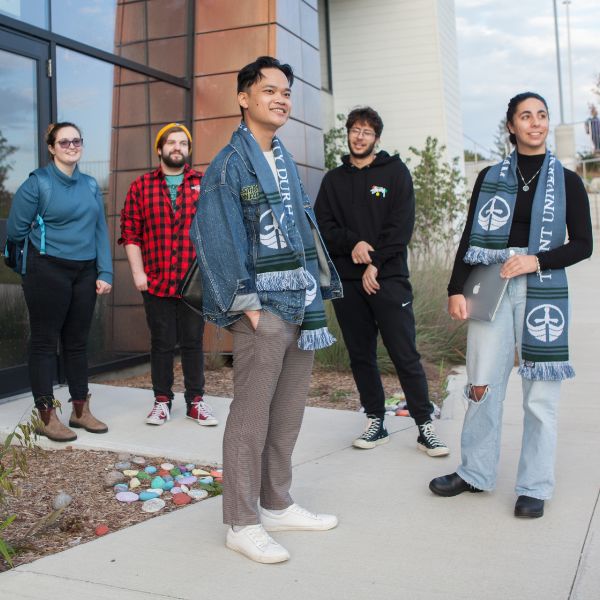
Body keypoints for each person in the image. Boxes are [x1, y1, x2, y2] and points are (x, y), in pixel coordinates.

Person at [190, 56, 342, 564]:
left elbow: (303, 233)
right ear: (244, 97)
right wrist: (248, 307)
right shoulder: (229, 166)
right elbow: (216, 240)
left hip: (300, 303)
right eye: (270, 90)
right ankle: (241, 521)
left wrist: (315, 290)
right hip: (263, 309)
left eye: (286, 92)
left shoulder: (283, 160)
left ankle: (276, 502)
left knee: (287, 414)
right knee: (251, 418)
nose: (281, 98)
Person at [429, 92, 593, 518]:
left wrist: (536, 259)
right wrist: (454, 288)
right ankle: (474, 472)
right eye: (526, 116)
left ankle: (534, 486)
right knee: (482, 383)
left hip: (542, 287)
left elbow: (583, 245)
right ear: (511, 126)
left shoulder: (568, 180)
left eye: (542, 116)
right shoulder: (489, 177)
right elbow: (470, 236)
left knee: (540, 394)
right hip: (491, 284)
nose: (535, 123)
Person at [314, 107, 449, 457]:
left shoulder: (395, 173)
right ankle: (376, 420)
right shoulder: (333, 181)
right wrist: (353, 244)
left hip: (388, 279)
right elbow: (323, 226)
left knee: (405, 354)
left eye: (367, 132)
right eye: (355, 130)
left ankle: (425, 426)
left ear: (377, 138)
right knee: (361, 355)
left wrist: (375, 262)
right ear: (348, 134)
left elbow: (400, 226)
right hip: (349, 282)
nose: (360, 137)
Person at [7, 122, 112, 442]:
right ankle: (46, 416)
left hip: (85, 273)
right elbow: (15, 231)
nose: (71, 146)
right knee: (44, 341)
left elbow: (99, 230)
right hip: (46, 271)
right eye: (64, 142)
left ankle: (80, 410)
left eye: (76, 141)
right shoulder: (38, 184)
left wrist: (105, 271)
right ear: (51, 148)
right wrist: (44, 254)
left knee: (77, 342)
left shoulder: (91, 185)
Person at [119, 124, 216, 427]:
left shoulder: (204, 182)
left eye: (182, 143)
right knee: (161, 343)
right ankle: (162, 401)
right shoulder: (141, 186)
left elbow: (216, 230)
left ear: (188, 150)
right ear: (159, 149)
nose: (177, 147)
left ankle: (195, 402)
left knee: (192, 342)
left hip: (194, 282)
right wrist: (138, 274)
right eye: (171, 143)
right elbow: (131, 234)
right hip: (156, 281)